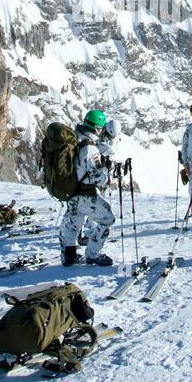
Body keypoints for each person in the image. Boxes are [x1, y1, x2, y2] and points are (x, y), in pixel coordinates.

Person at [59, 109, 115, 267]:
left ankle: (69, 256)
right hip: (86, 194)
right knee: (107, 219)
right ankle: (92, 254)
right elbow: (97, 177)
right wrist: (106, 169)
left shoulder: (75, 140)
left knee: (74, 223)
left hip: (72, 192)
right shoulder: (91, 148)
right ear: (98, 128)